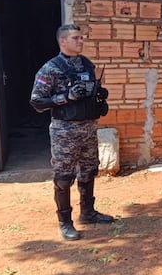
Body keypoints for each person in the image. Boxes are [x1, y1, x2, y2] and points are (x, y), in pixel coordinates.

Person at [30, 23, 114, 241]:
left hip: (88, 126)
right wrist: (66, 96)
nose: (81, 41)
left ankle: (88, 213)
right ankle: (65, 222)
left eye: (82, 38)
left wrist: (99, 93)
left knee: (88, 170)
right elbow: (37, 101)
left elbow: (92, 89)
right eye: (76, 38)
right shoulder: (51, 68)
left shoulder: (86, 64)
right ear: (63, 41)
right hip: (64, 130)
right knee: (64, 177)